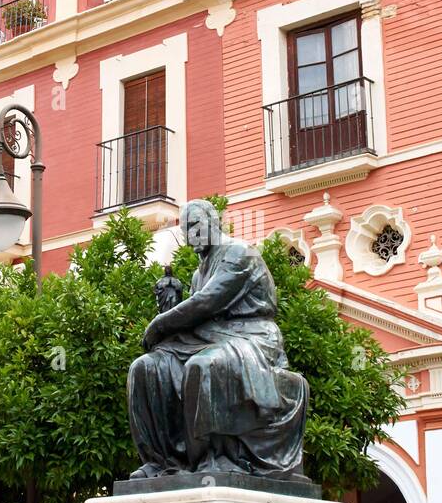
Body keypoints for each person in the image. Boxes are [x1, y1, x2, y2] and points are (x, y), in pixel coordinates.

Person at [127, 199, 309, 480]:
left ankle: (215, 457)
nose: (191, 236)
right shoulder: (199, 272)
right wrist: (170, 305)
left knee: (205, 367)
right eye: (185, 230)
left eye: (196, 226)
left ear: (214, 222)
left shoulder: (238, 253)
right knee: (147, 367)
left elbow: (207, 303)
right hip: (211, 337)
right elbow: (197, 313)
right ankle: (163, 461)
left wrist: (159, 324)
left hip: (252, 337)